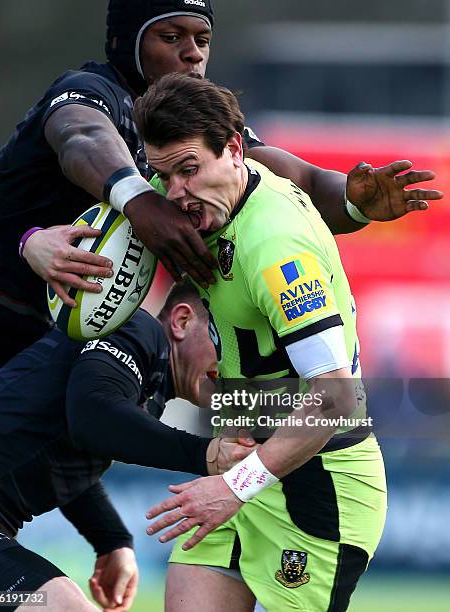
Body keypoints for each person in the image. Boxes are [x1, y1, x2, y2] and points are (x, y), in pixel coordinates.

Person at [0, 0, 441, 382]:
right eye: (171, 37)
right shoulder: (88, 91)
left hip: (52, 332)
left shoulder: (199, 124)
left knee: (62, 455)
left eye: (202, 40)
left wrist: (353, 200)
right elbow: (81, 138)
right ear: (125, 43)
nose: (193, 53)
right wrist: (139, 201)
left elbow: (296, 178)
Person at [131, 73, 395, 611]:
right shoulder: (215, 192)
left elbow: (335, 398)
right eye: (165, 177)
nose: (175, 195)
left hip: (317, 483)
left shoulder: (275, 250)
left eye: (188, 171)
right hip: (244, 462)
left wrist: (234, 486)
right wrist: (32, 241)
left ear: (233, 149)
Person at [0, 280, 254, 611]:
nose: (230, 367)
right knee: (59, 606)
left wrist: (112, 540)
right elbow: (93, 416)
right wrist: (204, 454)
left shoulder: (149, 388)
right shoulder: (134, 328)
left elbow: (60, 458)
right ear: (182, 321)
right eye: (227, 342)